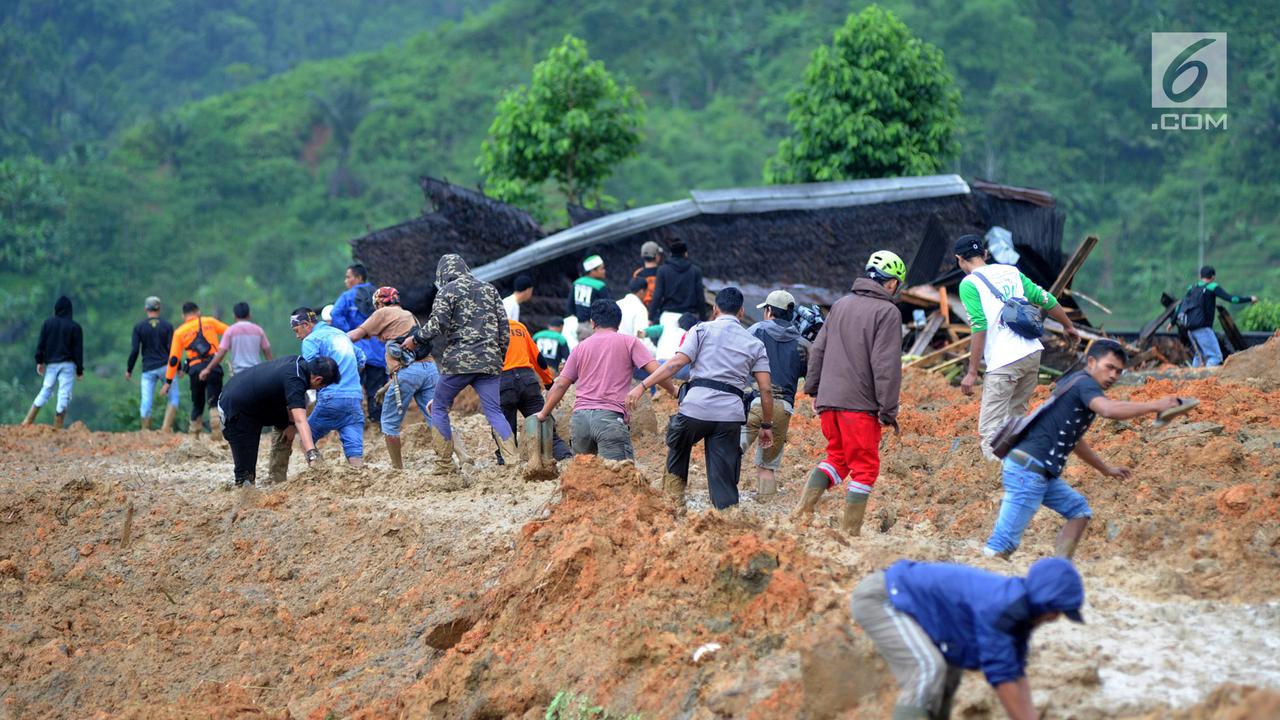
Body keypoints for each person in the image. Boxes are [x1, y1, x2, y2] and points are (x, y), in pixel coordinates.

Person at [984, 340, 1180, 559]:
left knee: (1079, 511)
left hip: (1037, 471)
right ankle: (976, 586)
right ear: (1092, 362)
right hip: (1029, 471)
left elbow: (1075, 441)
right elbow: (1107, 410)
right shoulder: (1086, 385)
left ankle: (1060, 567)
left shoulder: (1075, 384)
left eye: (1119, 371)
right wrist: (1155, 405)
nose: (1114, 376)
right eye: (1110, 367)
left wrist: (1105, 469)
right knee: (1002, 545)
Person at [851, 557, 1085, 720]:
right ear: (1044, 600)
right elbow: (1002, 678)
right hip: (882, 599)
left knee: (950, 672)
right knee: (928, 668)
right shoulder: (1000, 608)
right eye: (1057, 610)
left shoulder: (1022, 614)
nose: (1055, 618)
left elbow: (1016, 673)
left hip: (911, 605)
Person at [793, 251, 905, 536]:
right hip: (860, 405)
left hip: (829, 402)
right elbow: (886, 365)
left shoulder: (840, 305)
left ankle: (801, 513)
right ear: (891, 283)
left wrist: (814, 389)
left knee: (837, 458)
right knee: (865, 468)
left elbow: (817, 349)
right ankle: (850, 533)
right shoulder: (888, 312)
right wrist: (888, 410)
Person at [630, 287, 772, 511]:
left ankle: (673, 502)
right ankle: (726, 515)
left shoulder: (700, 330)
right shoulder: (754, 343)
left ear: (715, 309)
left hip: (695, 409)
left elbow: (675, 364)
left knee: (678, 444)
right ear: (742, 312)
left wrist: (642, 386)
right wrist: (766, 424)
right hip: (730, 416)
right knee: (724, 475)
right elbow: (765, 389)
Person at [955, 235, 1080, 461]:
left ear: (959, 259)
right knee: (1016, 420)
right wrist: (1068, 326)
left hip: (1004, 362)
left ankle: (1000, 480)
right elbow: (1045, 298)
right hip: (1032, 353)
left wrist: (972, 371)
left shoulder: (969, 283)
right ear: (985, 254)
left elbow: (979, 325)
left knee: (991, 430)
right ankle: (1020, 468)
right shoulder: (1011, 272)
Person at [407, 253, 515, 474]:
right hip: (490, 361)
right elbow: (505, 329)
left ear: (443, 275)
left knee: (439, 406)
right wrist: (497, 356)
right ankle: (513, 461)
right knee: (494, 410)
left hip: (459, 362)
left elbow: (437, 325)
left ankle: (445, 464)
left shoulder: (446, 291)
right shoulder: (489, 289)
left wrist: (416, 338)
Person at [541, 300, 676, 461]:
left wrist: (543, 413)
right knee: (617, 479)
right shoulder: (629, 342)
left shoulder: (580, 347)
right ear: (618, 323)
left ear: (592, 323)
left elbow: (561, 384)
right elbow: (658, 371)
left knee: (582, 480)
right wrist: (674, 390)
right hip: (609, 419)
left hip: (580, 420)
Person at [347, 286, 437, 470]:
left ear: (380, 302)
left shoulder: (383, 313)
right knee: (437, 417)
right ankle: (462, 456)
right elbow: (413, 364)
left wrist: (332, 339)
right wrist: (386, 387)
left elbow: (355, 336)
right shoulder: (408, 315)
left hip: (409, 373)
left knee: (389, 424)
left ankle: (397, 469)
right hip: (430, 369)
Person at [217, 355, 338, 487]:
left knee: (286, 427)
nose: (319, 390)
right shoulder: (295, 380)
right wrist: (312, 455)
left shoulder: (299, 363)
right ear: (318, 379)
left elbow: (294, 405)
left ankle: (277, 481)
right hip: (235, 407)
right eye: (322, 386)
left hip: (258, 403)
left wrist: (291, 425)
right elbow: (301, 420)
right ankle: (244, 497)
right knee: (246, 474)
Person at [741, 290, 804, 503]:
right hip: (784, 407)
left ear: (768, 311)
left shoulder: (756, 330)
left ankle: (725, 505)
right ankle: (767, 509)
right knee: (766, 467)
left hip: (756, 403)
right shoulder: (801, 341)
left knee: (731, 453)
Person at [291, 307, 366, 469]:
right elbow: (361, 359)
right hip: (354, 398)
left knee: (304, 440)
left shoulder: (311, 340)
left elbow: (309, 371)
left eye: (297, 330)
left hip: (331, 398)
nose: (297, 336)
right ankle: (360, 479)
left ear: (306, 325)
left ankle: (322, 473)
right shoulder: (340, 334)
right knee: (354, 451)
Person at [495, 318, 572, 463]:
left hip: (503, 384)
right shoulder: (518, 326)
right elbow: (538, 359)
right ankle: (566, 459)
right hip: (528, 382)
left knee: (506, 438)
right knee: (545, 427)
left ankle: (507, 472)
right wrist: (549, 384)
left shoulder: (486, 328)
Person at [331, 263, 389, 427]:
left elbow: (335, 314)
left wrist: (348, 333)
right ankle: (377, 422)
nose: (346, 281)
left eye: (348, 277)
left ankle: (356, 422)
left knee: (352, 386)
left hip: (355, 350)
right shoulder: (379, 295)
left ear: (358, 278)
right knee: (376, 388)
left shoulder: (347, 297)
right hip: (379, 350)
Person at [161, 302, 228, 439]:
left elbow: (173, 359)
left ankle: (194, 435)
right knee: (214, 400)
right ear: (198, 311)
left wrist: (168, 381)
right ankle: (217, 434)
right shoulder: (209, 321)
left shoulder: (179, 332)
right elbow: (230, 332)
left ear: (183, 316)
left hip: (195, 369)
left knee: (197, 403)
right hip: (213, 365)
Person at [21, 296, 84, 429]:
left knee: (45, 390)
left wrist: (39, 361)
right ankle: (57, 428)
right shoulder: (75, 327)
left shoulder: (47, 323)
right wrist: (79, 370)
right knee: (64, 395)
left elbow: (41, 344)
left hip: (51, 365)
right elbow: (78, 351)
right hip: (68, 365)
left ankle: (27, 422)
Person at [1178, 265, 1258, 367]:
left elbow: (1180, 305)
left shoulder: (1192, 288)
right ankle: (1208, 380)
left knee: (1199, 356)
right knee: (1215, 356)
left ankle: (1192, 380)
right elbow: (1232, 299)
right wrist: (1249, 299)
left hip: (1190, 329)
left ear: (1200, 275)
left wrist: (1172, 322)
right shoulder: (1212, 287)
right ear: (1213, 277)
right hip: (1203, 329)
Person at [126, 296, 179, 431]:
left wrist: (129, 369)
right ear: (159, 308)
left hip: (148, 369)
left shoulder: (139, 327)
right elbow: (173, 350)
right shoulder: (167, 326)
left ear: (146, 309)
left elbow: (134, 350)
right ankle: (165, 428)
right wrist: (179, 368)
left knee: (146, 400)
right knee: (173, 398)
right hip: (166, 367)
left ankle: (146, 430)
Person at [649, 240, 705, 361]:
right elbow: (700, 297)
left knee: (665, 351)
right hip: (689, 317)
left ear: (670, 254)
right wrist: (703, 319)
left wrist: (651, 316)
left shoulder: (662, 270)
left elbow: (657, 295)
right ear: (686, 254)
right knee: (686, 354)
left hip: (668, 316)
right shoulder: (695, 271)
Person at [205, 302, 273, 376]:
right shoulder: (258, 330)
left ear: (234, 315)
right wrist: (273, 369)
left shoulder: (230, 331)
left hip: (238, 374)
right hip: (256, 372)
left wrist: (207, 369)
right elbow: (267, 352)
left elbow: (221, 353)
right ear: (249, 315)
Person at [568, 255, 611, 341]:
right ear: (592, 271)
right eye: (601, 269)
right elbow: (608, 308)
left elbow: (570, 306)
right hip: (596, 328)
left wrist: (581, 317)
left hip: (581, 327)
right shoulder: (600, 286)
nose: (604, 271)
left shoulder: (576, 283)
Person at [632, 240, 663, 307]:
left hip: (643, 309)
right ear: (657, 256)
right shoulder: (664, 271)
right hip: (661, 309)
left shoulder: (637, 274)